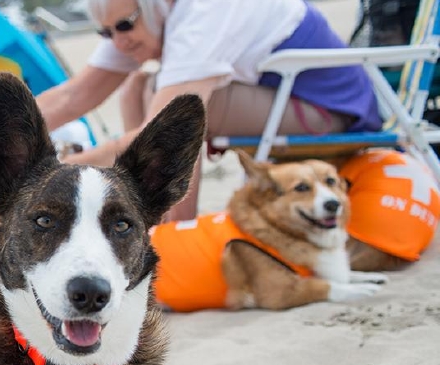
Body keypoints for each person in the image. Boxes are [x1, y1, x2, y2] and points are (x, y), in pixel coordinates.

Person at [36, 0, 383, 221]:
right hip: (282, 101)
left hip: (333, 114)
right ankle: (147, 210)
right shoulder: (147, 15)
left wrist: (52, 171)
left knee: (183, 111)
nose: (118, 40)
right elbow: (74, 95)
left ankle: (175, 229)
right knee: (136, 88)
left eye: (125, 25)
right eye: (105, 31)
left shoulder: (205, 11)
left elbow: (159, 130)